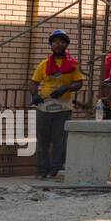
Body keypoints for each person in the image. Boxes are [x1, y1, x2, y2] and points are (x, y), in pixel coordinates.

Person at [28, 29, 85, 179]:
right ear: (50, 46)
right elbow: (34, 82)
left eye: (61, 41)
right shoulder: (44, 64)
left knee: (60, 141)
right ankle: (41, 170)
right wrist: (35, 95)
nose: (57, 44)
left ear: (66, 44)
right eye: (54, 42)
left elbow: (79, 83)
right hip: (44, 108)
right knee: (43, 141)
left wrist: (66, 88)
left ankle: (55, 170)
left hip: (63, 108)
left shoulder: (72, 65)